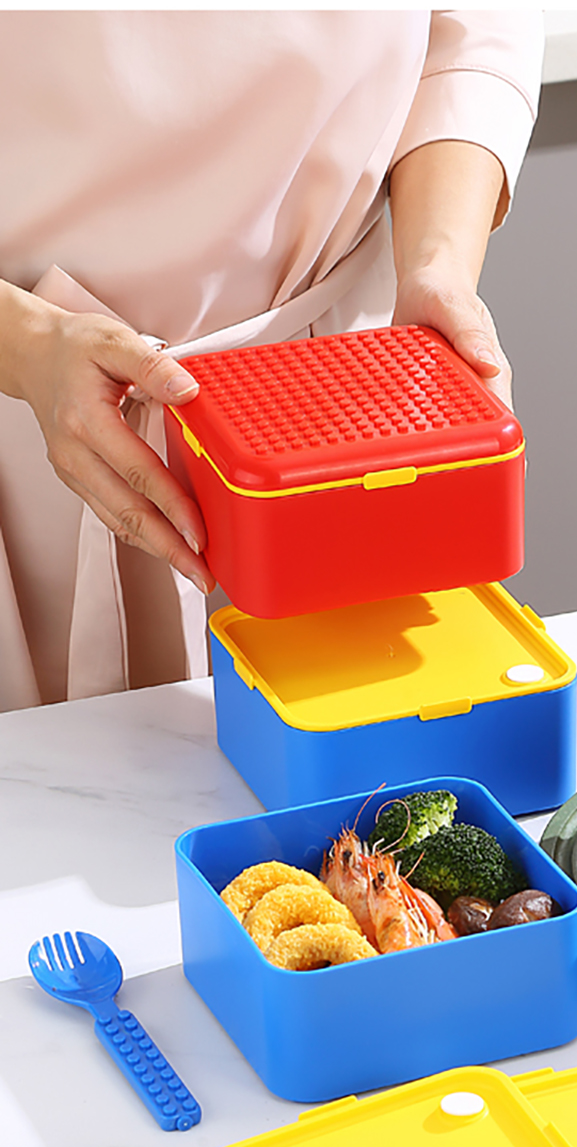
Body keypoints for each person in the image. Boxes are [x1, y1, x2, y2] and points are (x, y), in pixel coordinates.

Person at [0, 11, 542, 710]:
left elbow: (472, 22)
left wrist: (439, 263)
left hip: (344, 400)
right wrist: (27, 346)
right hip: (33, 419)